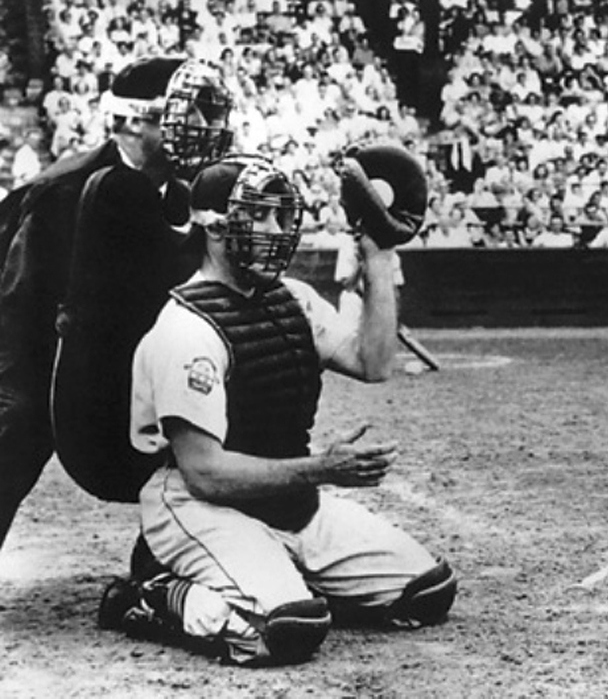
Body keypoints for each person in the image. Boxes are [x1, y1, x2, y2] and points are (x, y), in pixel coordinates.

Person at [98, 155, 456, 666]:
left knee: (426, 591)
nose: (277, 229)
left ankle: (274, 573)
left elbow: (373, 362)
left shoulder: (294, 299)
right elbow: (203, 473)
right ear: (216, 228)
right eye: (261, 216)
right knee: (287, 629)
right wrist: (323, 469)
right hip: (202, 504)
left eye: (282, 216)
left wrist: (378, 256)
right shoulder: (185, 330)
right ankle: (152, 593)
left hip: (288, 500)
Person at [0, 56, 232, 552]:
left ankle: (172, 558)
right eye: (191, 114)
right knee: (19, 419)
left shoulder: (179, 194)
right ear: (132, 120)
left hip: (112, 344)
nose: (207, 129)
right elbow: (19, 304)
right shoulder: (64, 191)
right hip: (34, 341)